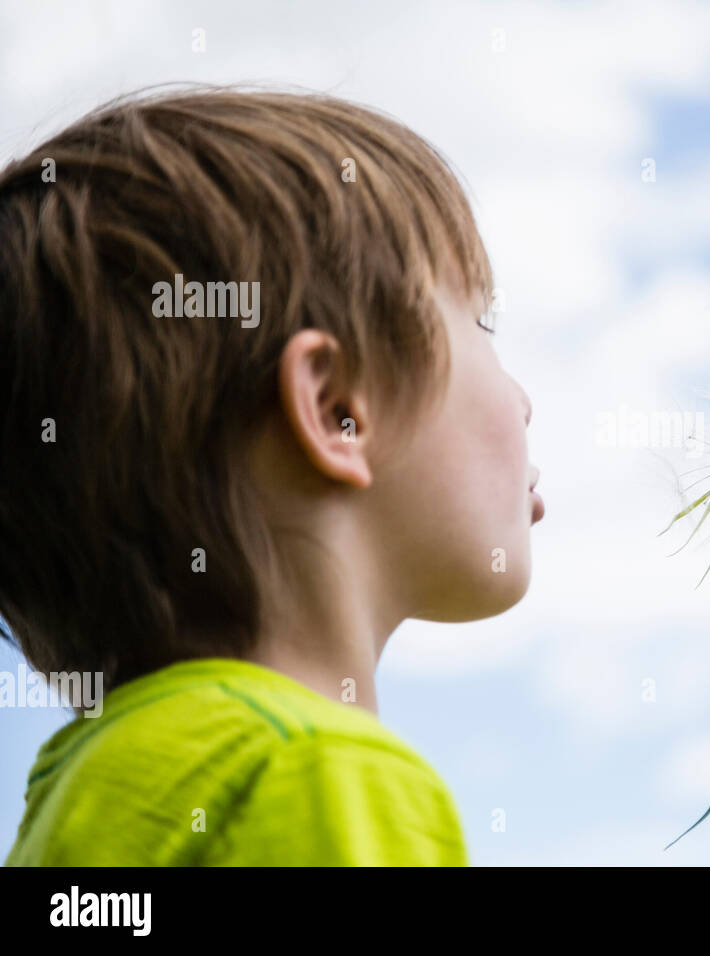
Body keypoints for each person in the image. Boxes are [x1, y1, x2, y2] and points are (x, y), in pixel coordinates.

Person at [0, 86, 543, 865]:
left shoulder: (84, 789)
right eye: (481, 321)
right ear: (336, 410)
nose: (523, 400)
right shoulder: (317, 771)